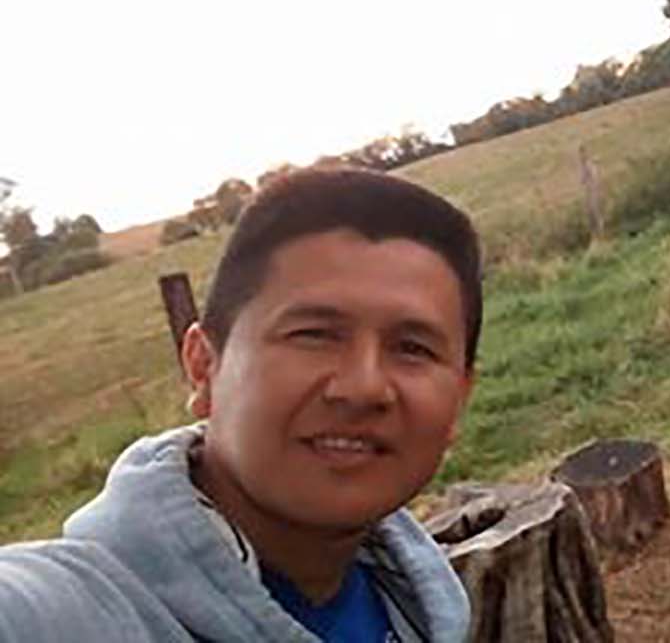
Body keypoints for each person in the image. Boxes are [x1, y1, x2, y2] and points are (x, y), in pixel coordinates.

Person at [0, 168, 481, 642]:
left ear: (459, 399)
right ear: (203, 366)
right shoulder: (66, 612)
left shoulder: (417, 609)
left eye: (413, 348)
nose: (364, 387)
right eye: (313, 335)